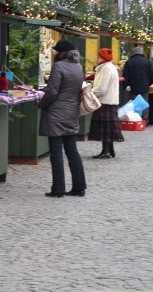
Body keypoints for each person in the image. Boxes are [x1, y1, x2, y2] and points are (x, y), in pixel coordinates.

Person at [38, 39, 87, 197]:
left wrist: (42, 104)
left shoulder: (58, 66)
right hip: (71, 113)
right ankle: (79, 187)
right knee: (72, 151)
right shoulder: (78, 66)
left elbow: (52, 91)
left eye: (57, 51)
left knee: (56, 153)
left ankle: (58, 189)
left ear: (62, 53)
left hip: (56, 114)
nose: (55, 54)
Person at [89, 48, 124, 159]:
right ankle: (109, 149)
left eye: (99, 57)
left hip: (105, 100)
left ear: (103, 58)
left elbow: (102, 88)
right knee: (108, 127)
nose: (97, 58)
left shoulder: (106, 69)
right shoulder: (108, 67)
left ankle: (106, 151)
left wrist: (91, 93)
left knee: (105, 128)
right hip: (109, 100)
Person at [122, 46, 153, 123]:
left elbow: (125, 76)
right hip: (144, 86)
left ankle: (136, 118)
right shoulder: (147, 62)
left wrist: (126, 86)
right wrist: (149, 83)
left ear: (134, 53)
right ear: (141, 52)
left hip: (133, 86)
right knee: (144, 103)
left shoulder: (129, 62)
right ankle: (145, 119)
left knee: (134, 103)